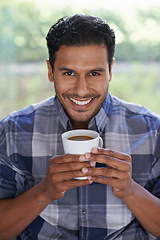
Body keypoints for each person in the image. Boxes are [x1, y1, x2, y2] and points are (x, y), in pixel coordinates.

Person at [0, 14, 160, 240]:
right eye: (68, 73)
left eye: (94, 73)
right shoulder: (13, 131)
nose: (82, 90)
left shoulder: (152, 131)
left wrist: (131, 191)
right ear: (50, 70)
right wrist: (44, 192)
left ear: (110, 70)